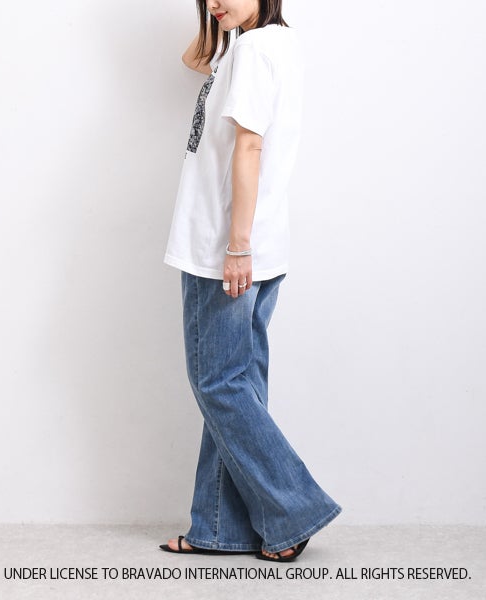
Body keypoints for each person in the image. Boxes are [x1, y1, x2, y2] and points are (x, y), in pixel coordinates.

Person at [161, 0, 342, 562]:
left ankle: (295, 510)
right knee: (239, 385)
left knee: (219, 384)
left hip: (224, 248)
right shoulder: (264, 45)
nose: (214, 1)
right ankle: (220, 528)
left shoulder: (256, 50)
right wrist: (219, 24)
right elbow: (196, 60)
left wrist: (235, 246)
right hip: (258, 245)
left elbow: (250, 145)